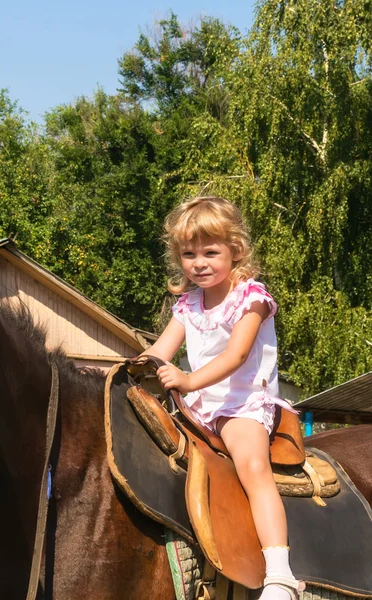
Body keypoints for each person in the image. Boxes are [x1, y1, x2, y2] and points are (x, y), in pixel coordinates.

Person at [143, 196, 303, 600]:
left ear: (236, 250)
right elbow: (159, 352)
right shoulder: (188, 304)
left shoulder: (251, 297)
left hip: (243, 403)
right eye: (188, 253)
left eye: (211, 252)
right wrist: (114, 371)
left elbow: (237, 355)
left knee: (251, 466)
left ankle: (281, 572)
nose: (199, 262)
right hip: (197, 407)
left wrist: (188, 380)